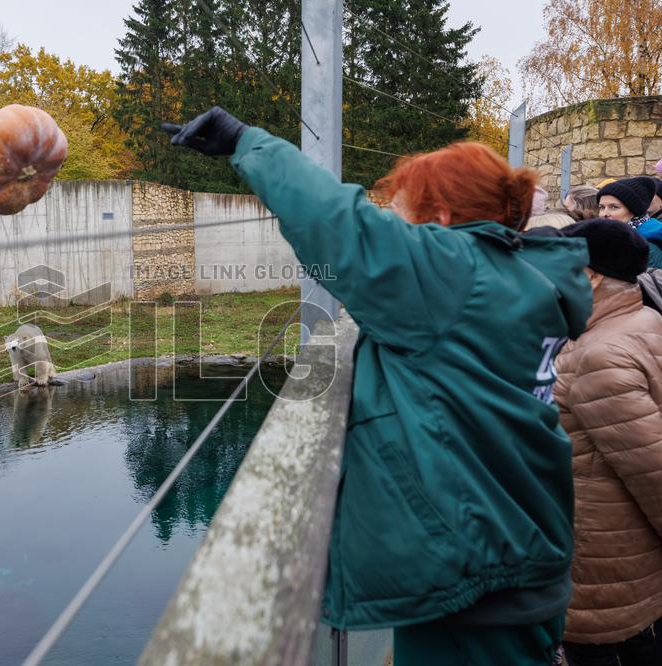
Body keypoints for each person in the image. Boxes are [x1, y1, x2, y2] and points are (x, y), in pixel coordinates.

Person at [164, 107, 592, 665]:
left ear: (438, 216)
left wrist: (248, 143)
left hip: (477, 578)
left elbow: (338, 226)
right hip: (509, 556)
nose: (391, 216)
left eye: (401, 208)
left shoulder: (453, 271)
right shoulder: (514, 278)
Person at [553, 220, 662, 666]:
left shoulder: (597, 356)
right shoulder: (644, 317)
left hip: (607, 568)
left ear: (591, 274)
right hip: (633, 565)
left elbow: (653, 471)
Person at [598, 177, 662, 268]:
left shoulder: (647, 247)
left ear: (634, 210)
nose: (604, 214)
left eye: (614, 207)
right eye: (601, 207)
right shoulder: (616, 236)